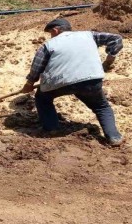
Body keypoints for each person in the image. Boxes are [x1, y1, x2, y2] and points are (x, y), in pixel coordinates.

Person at [19, 18, 124, 146]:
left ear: (55, 30)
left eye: (51, 33)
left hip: (59, 82)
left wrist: (29, 83)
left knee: (42, 99)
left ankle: (51, 128)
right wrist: (110, 57)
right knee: (101, 106)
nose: (51, 36)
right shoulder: (90, 35)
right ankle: (114, 137)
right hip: (91, 80)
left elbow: (37, 66)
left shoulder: (49, 45)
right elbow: (116, 39)